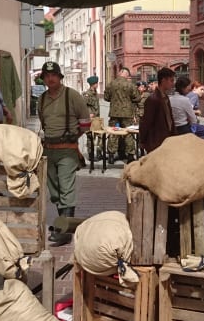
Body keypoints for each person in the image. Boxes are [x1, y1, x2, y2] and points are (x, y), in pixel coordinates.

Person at [37, 61, 91, 223]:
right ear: (44, 79)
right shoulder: (42, 99)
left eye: (53, 75)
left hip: (67, 150)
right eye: (47, 76)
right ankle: (64, 222)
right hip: (49, 149)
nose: (50, 79)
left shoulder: (72, 95)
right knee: (54, 191)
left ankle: (64, 229)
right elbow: (44, 122)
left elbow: (86, 123)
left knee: (66, 188)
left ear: (59, 77)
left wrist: (73, 137)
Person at [103, 67, 140, 162]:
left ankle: (111, 155)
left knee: (113, 132)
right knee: (128, 133)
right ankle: (130, 156)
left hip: (114, 113)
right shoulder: (130, 85)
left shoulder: (111, 84)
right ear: (127, 75)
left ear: (120, 73)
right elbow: (137, 98)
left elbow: (106, 98)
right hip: (127, 113)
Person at [139, 67, 175, 153]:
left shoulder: (165, 97)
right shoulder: (153, 99)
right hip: (156, 142)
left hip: (166, 140)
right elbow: (146, 122)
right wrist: (142, 141)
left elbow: (170, 119)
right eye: (171, 80)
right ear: (163, 80)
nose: (173, 84)